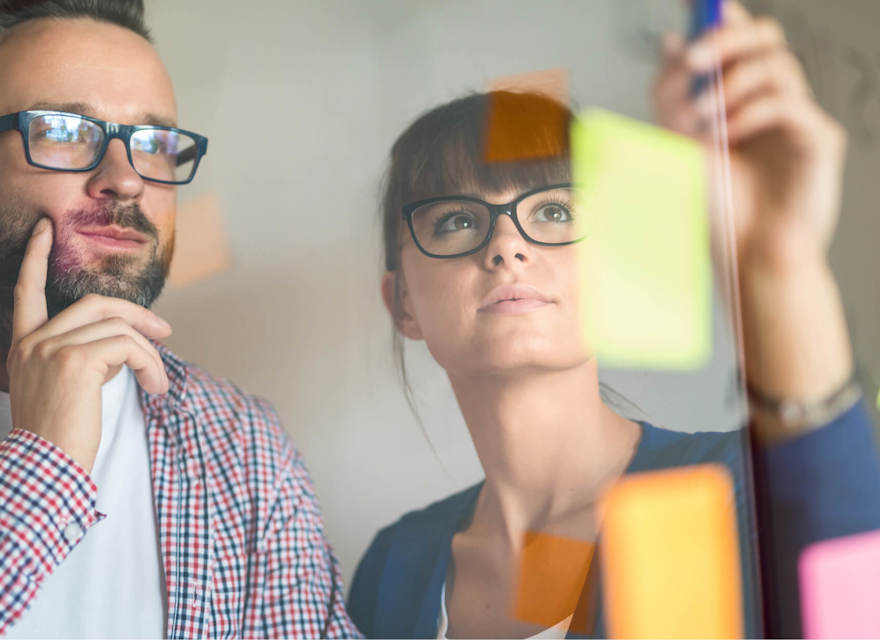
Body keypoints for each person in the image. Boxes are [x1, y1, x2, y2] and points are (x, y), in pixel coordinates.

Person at [347, 2, 880, 637]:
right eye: (457, 220)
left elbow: (858, 607)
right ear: (402, 302)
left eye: (554, 211)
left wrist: (781, 266)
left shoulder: (735, 493)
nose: (506, 246)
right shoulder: (392, 567)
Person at [0, 1, 358, 637]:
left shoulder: (242, 444)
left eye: (155, 145)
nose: (126, 180)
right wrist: (44, 465)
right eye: (63, 131)